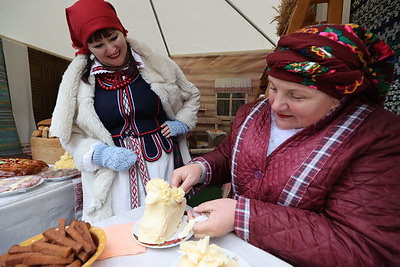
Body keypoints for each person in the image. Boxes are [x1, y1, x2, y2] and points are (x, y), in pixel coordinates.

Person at [171, 24, 400, 266]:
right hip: (236, 254)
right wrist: (202, 168)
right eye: (273, 87)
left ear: (338, 95)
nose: (277, 105)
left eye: (296, 96)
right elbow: (231, 155)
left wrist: (243, 217)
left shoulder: (375, 136)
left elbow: (362, 246)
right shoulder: (253, 113)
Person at [50, 0, 200, 223]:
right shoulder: (79, 85)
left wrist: (183, 122)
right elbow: (69, 135)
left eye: (114, 38)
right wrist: (98, 153)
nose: (111, 49)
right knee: (119, 232)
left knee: (164, 225)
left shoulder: (157, 65)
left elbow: (192, 95)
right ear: (87, 48)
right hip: (113, 174)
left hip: (160, 164)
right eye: (99, 45)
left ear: (123, 31)